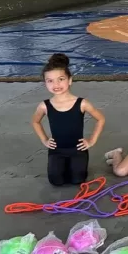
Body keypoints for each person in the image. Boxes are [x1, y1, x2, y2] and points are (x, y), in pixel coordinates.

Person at [31, 53, 105, 186]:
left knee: (78, 180)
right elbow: (35, 121)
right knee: (56, 181)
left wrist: (91, 141)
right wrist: (44, 140)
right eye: (50, 80)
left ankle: (76, 165)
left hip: (78, 149)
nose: (56, 84)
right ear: (45, 83)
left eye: (61, 79)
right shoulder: (44, 106)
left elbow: (100, 119)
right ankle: (62, 165)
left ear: (70, 80)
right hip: (56, 150)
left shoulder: (82, 103)